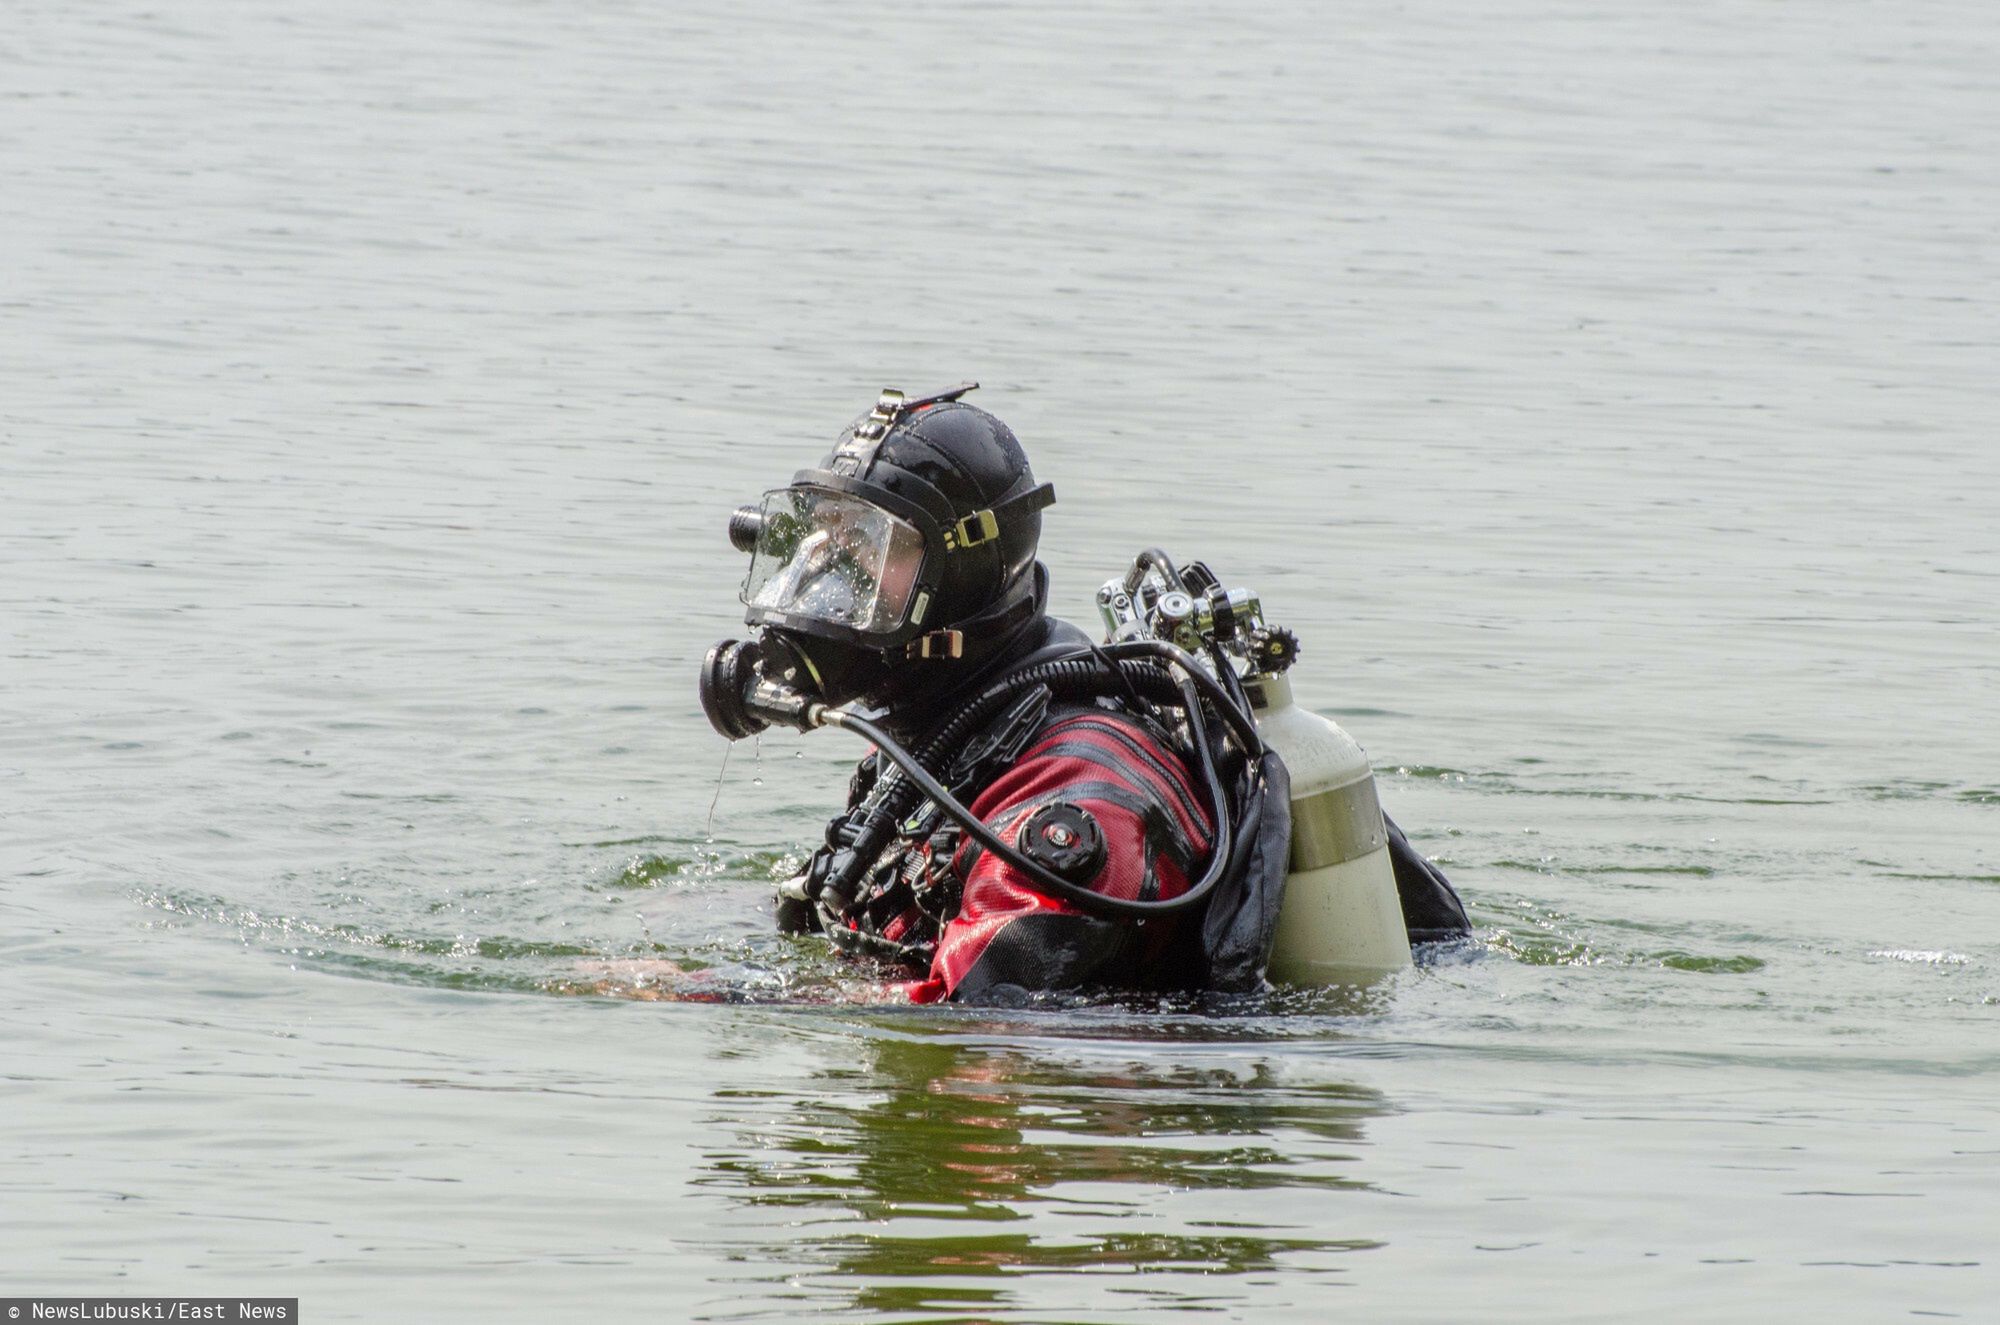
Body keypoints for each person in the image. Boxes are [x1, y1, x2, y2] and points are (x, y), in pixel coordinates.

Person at [698, 385, 1469, 1004]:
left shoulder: (1078, 792)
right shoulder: (951, 735)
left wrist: (720, 991)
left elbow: (974, 1006)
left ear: (960, 574)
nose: (837, 576)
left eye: (875, 545)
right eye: (831, 534)